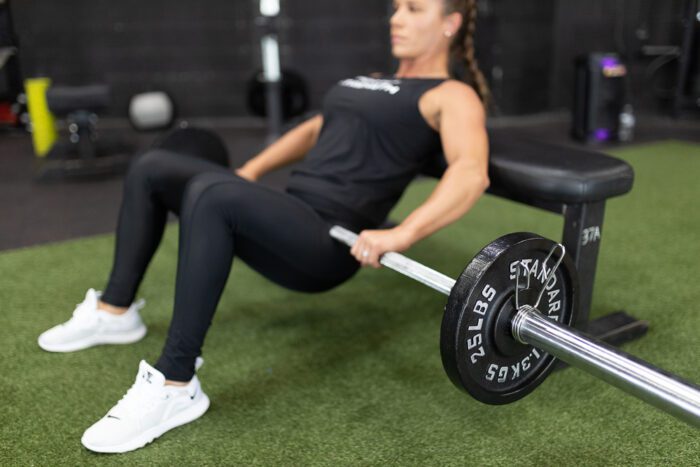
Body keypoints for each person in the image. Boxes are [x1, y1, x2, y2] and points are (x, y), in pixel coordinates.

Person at [37, 0, 490, 454]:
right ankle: (116, 313)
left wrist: (401, 234)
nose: (396, 18)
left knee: (212, 195)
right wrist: (250, 171)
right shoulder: (371, 78)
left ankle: (176, 384)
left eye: (414, 9)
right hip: (291, 212)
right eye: (395, 8)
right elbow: (314, 130)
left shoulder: (450, 95)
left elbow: (470, 172)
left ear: (450, 24)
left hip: (328, 243)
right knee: (153, 167)